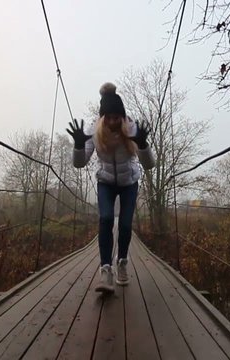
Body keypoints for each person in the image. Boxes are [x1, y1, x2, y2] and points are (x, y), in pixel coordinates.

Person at [67, 82, 155, 293]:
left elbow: (149, 165)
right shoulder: (93, 132)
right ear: (102, 117)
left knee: (125, 225)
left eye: (118, 117)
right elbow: (79, 163)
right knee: (106, 218)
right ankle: (106, 271)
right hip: (105, 181)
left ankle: (122, 262)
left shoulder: (133, 129)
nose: (114, 122)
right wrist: (79, 145)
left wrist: (143, 145)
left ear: (123, 117)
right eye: (109, 117)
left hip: (129, 183)